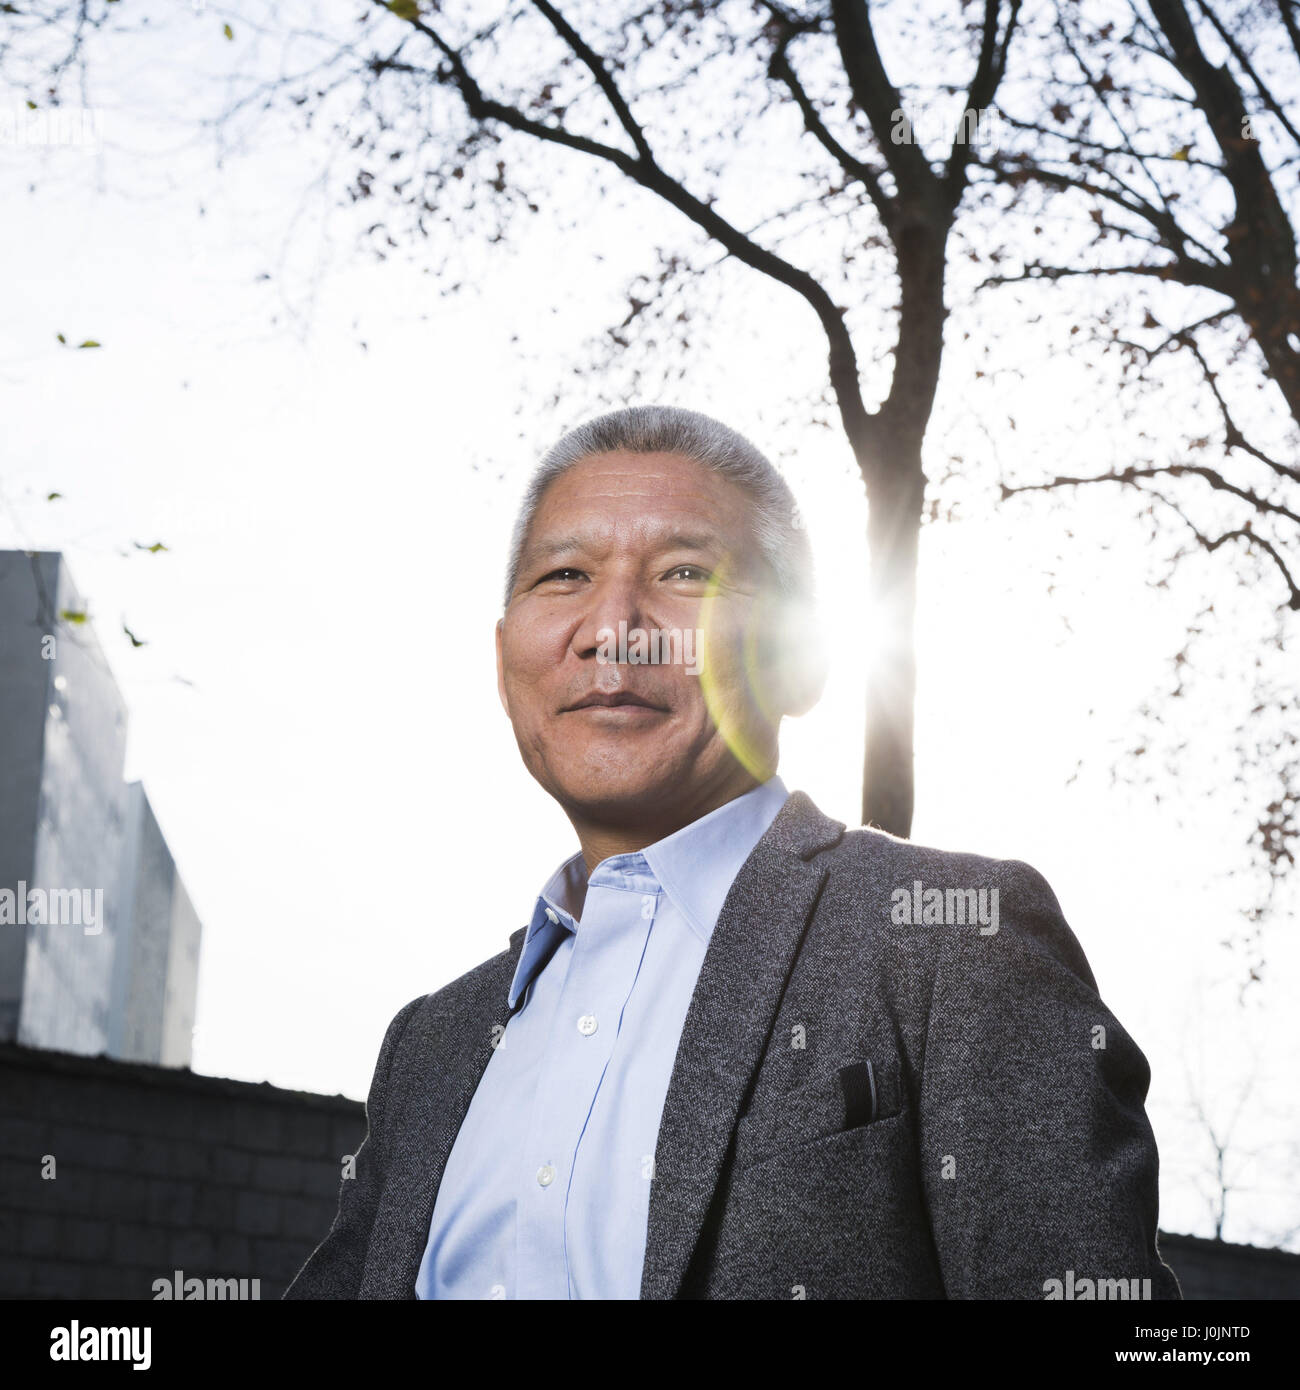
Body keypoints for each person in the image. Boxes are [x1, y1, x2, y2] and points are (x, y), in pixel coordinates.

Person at [284, 405, 1180, 1300]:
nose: (616, 628)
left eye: (684, 573)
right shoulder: (430, 1045)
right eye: (564, 575)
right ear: (504, 656)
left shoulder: (952, 942)